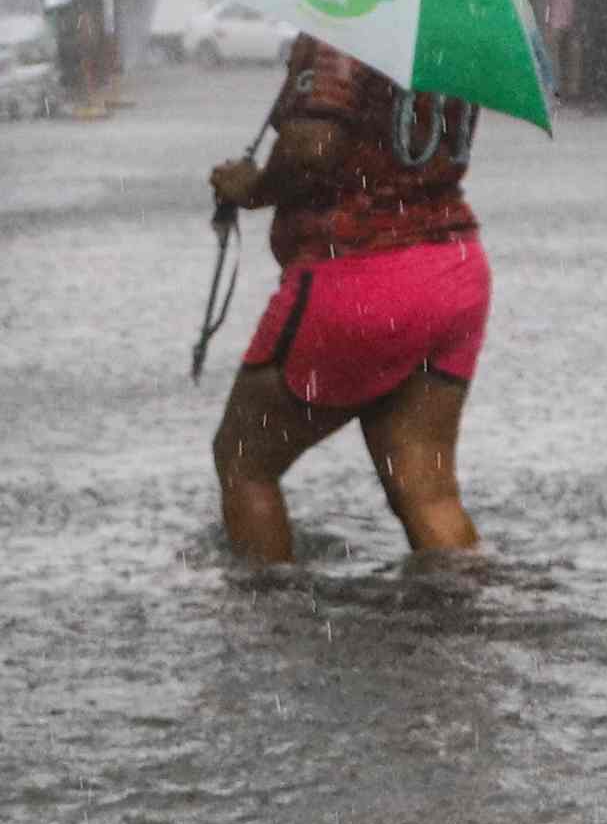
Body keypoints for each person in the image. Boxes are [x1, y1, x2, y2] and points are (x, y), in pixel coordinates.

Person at [205, 34, 485, 564]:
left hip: (356, 276)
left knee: (244, 460)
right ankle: (464, 623)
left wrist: (255, 187)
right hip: (453, 270)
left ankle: (266, 622)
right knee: (427, 489)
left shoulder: (347, 22)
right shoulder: (443, 37)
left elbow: (312, 146)